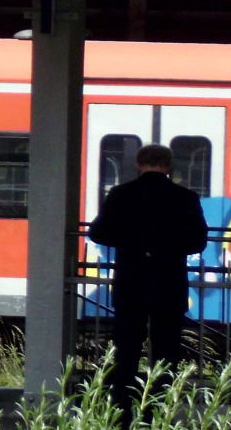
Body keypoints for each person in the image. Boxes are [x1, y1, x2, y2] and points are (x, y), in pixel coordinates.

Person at [88, 143, 210, 416]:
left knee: (126, 351)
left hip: (131, 283)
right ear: (169, 165)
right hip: (169, 284)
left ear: (138, 164)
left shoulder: (120, 194)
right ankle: (159, 410)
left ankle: (121, 410)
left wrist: (132, 243)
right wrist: (166, 248)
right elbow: (198, 241)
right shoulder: (185, 197)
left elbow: (98, 233)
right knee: (166, 351)